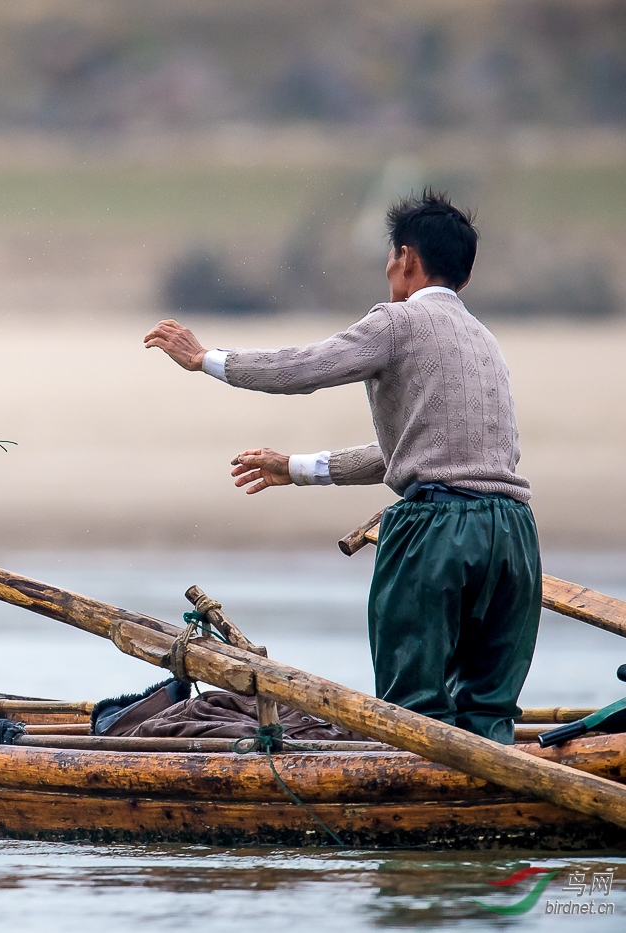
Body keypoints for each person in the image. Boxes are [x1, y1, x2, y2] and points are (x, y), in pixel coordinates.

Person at [143, 189, 539, 744]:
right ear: (464, 280)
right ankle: (491, 802)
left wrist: (205, 359)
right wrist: (294, 467)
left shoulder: (398, 323)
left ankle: (408, 811)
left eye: (391, 259)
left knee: (414, 714)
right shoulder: (485, 342)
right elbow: (418, 450)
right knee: (490, 711)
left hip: (437, 535)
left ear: (405, 258)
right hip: (514, 535)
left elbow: (304, 368)